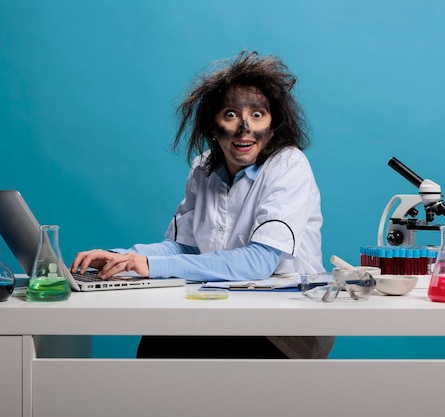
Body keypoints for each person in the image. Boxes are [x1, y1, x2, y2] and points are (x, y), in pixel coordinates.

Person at [70, 50, 335, 359]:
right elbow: (185, 247)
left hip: (278, 330)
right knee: (156, 343)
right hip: (224, 313)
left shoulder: (288, 164)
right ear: (213, 126)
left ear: (273, 127)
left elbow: (260, 262)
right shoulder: (203, 167)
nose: (244, 127)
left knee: (169, 350)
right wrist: (124, 257)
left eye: (258, 115)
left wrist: (151, 266)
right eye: (231, 114)